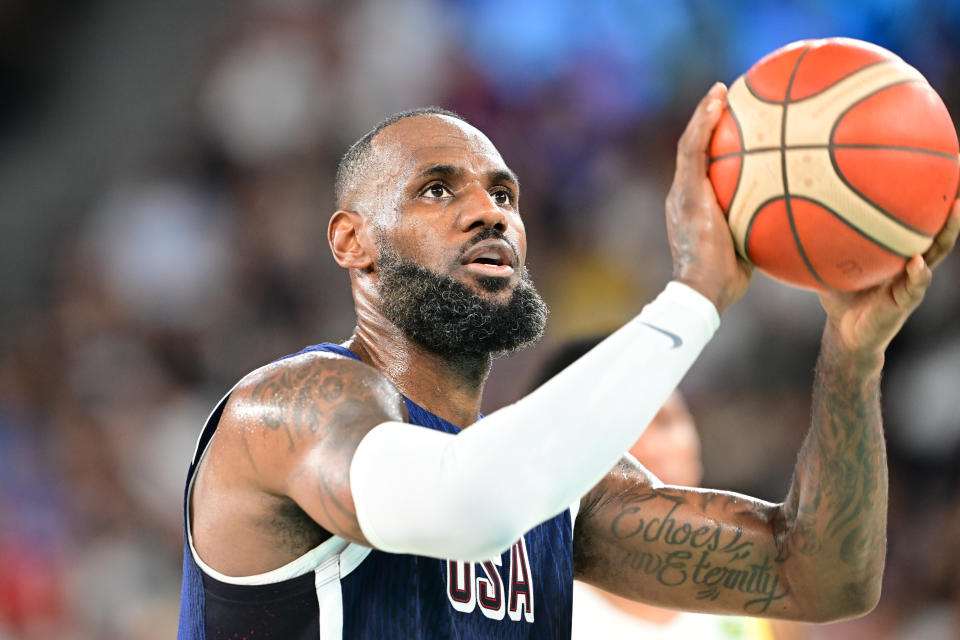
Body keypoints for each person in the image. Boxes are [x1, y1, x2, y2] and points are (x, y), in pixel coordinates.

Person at [177, 83, 960, 639]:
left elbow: (822, 577)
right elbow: (469, 507)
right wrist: (694, 296)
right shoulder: (283, 413)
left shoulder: (557, 487)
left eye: (505, 195)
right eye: (437, 190)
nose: (488, 210)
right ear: (351, 241)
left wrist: (851, 360)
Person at [533, 341, 807, 639]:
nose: (652, 448)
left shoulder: (762, 614)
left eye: (665, 420)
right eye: (627, 428)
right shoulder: (531, 609)